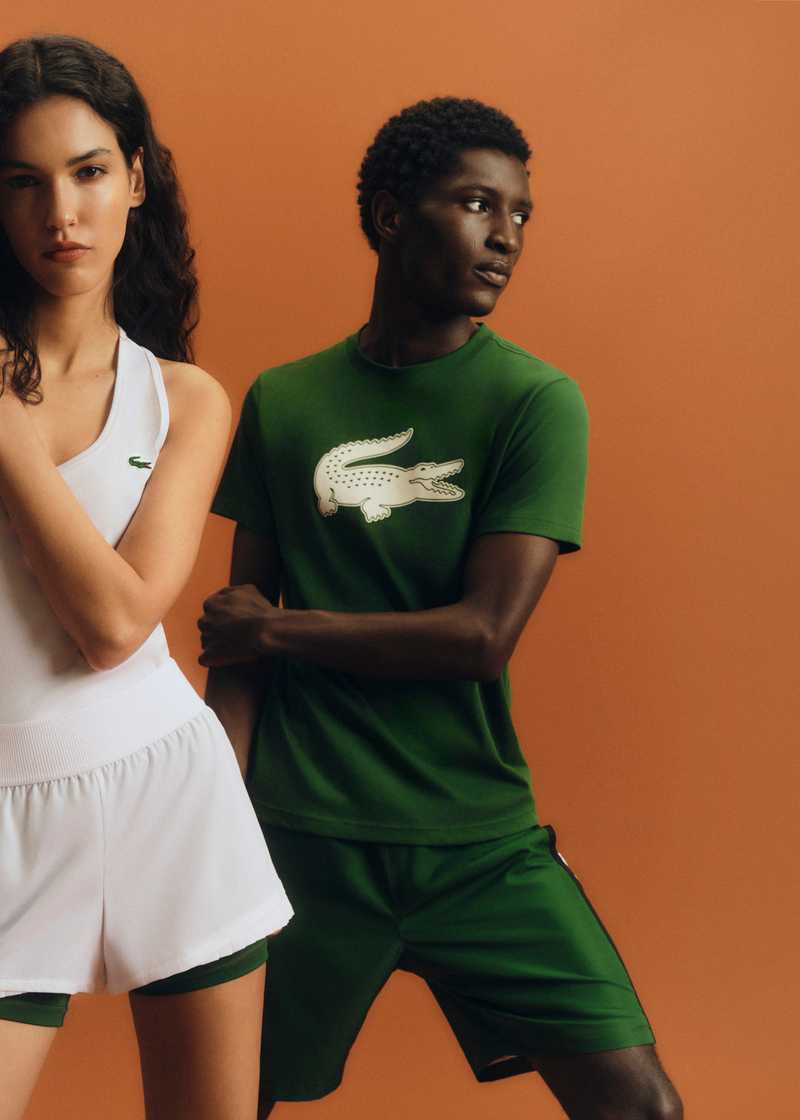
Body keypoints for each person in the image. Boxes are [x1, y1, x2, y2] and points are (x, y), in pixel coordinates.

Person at [0, 33, 292, 1120]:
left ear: (136, 179)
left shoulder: (185, 401)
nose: (61, 213)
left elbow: (116, 624)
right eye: (25, 182)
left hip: (172, 801)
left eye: (88, 172)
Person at [200, 97, 683, 1119]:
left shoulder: (533, 402)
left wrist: (278, 630)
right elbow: (234, 651)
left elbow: (479, 636)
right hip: (303, 839)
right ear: (391, 215)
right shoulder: (285, 401)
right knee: (224, 1101)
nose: (506, 236)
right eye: (476, 204)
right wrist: (209, 816)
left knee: (640, 1106)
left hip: (477, 843)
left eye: (520, 214)